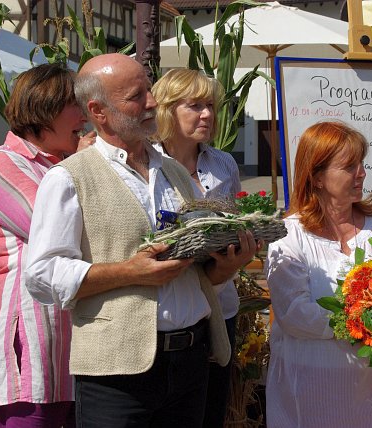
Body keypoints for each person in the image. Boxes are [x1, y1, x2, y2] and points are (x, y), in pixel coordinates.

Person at [25, 54, 259, 428]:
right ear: (98, 111)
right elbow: (42, 274)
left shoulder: (174, 173)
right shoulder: (68, 178)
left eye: (148, 90)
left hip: (190, 362)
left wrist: (224, 267)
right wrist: (130, 272)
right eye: (137, 96)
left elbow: (194, 274)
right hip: (117, 371)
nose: (151, 102)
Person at [264, 121, 372, 428]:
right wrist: (365, 320)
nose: (361, 173)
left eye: (361, 163)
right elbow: (295, 315)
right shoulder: (289, 237)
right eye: (349, 166)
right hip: (312, 395)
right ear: (317, 177)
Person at [0, 63, 91, 427]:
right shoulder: (1, 163)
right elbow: (54, 227)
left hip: (78, 339)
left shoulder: (65, 163)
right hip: (34, 337)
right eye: (75, 105)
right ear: (44, 108)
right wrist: (86, 163)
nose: (85, 116)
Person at [151, 68, 241, 428]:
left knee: (211, 410)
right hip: (174, 310)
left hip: (222, 303)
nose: (207, 114)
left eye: (211, 106)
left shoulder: (223, 164)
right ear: (166, 110)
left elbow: (234, 222)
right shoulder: (149, 165)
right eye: (195, 106)